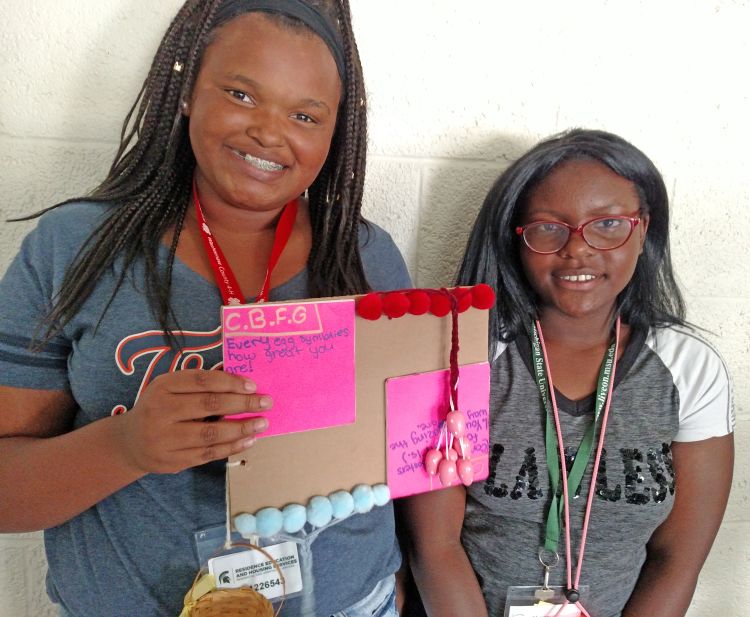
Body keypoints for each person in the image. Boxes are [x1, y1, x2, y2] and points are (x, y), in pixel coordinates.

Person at [0, 1, 410, 616]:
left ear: (334, 135)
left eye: (304, 114)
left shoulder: (368, 257)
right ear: (188, 91)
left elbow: (408, 456)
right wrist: (126, 446)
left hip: (353, 601)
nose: (270, 132)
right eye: (241, 94)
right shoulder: (72, 248)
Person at [401, 129, 734, 617]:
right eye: (548, 228)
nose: (578, 250)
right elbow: (434, 548)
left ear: (643, 231)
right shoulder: (459, 360)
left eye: (608, 224)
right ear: (516, 239)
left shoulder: (690, 370)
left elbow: (678, 560)